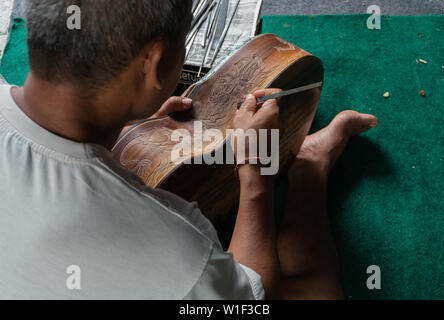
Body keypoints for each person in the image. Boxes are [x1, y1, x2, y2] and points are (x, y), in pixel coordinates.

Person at [0, 0, 378, 299]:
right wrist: (254, 172)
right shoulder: (183, 257)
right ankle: (309, 168)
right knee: (309, 283)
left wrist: (132, 121)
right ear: (157, 62)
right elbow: (253, 297)